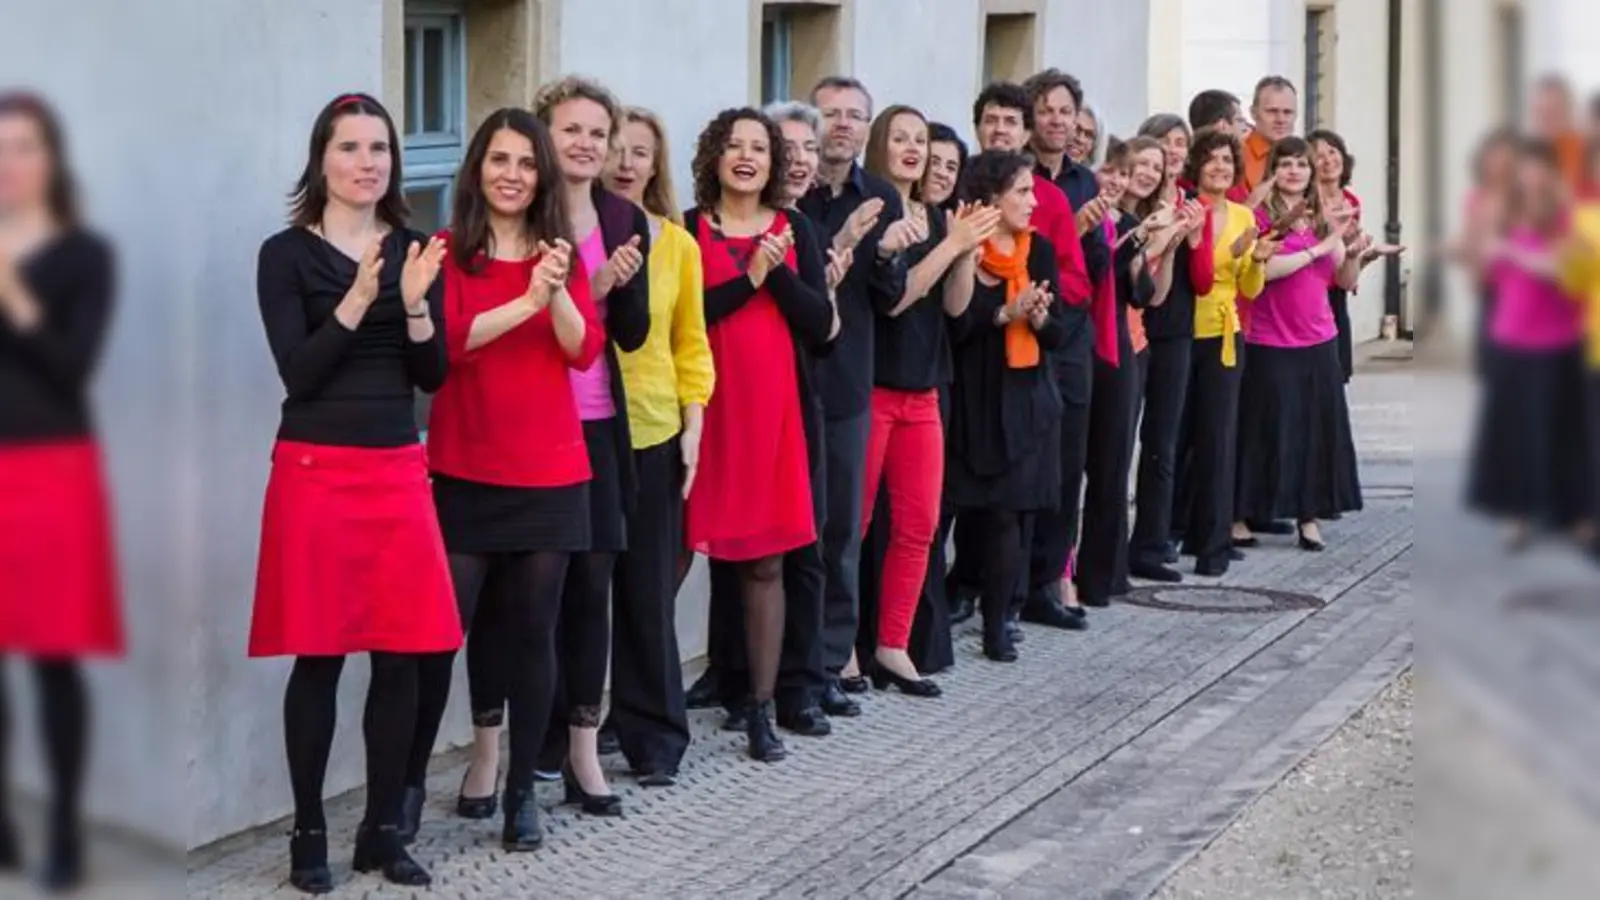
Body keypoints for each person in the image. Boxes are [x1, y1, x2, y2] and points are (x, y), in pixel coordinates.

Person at [247, 92, 459, 892]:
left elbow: (431, 377)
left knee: (403, 656)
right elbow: (298, 374)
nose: (367, 162)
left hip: (396, 466)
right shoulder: (284, 255)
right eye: (350, 148)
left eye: (379, 149)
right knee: (321, 655)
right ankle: (308, 831)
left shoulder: (416, 249)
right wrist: (360, 300)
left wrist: (415, 306)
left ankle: (382, 829)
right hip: (315, 471)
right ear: (321, 159)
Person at [405, 108, 605, 853]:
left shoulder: (559, 254)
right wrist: (524, 300)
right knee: (437, 637)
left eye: (525, 163)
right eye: (499, 160)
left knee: (533, 634)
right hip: (466, 468)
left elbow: (583, 350)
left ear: (541, 176)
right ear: (477, 169)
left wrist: (555, 290)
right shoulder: (449, 251)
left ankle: (523, 791)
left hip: (551, 473)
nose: (512, 175)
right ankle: (405, 787)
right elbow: (449, 346)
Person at [683, 107, 837, 761]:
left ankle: (761, 709)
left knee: (767, 564)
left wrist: (775, 272)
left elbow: (821, 328)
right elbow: (687, 318)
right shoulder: (687, 230)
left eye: (759, 148)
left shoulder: (795, 229)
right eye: (734, 146)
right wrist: (749, 279)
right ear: (714, 157)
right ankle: (638, 708)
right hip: (703, 417)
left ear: (773, 163)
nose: (746, 157)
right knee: (671, 560)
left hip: (775, 417)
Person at [0, 90, 122, 893]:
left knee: (53, 660)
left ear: (50, 159)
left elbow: (71, 370)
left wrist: (12, 290)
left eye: (25, 146)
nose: (10, 164)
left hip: (51, 473)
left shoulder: (84, 256)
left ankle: (67, 831)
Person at [529, 75, 651, 806]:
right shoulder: (521, 209)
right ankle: (531, 744)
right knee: (536, 593)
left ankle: (581, 747)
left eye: (597, 134)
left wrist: (619, 286)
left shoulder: (621, 214)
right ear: (544, 134)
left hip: (601, 423)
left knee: (592, 587)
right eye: (570, 129)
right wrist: (591, 285)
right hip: (535, 424)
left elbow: (632, 334)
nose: (584, 144)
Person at [856, 104, 998, 693]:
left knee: (920, 526)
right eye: (901, 138)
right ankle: (844, 649)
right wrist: (951, 246)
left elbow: (956, 307)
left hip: (924, 390)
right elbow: (896, 297)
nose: (913, 149)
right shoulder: (874, 210)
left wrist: (964, 253)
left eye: (921, 139)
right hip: (873, 387)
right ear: (880, 146)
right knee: (857, 525)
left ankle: (893, 644)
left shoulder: (938, 218)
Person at [601, 106, 715, 785]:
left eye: (638, 152)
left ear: (655, 164)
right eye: (615, 149)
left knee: (648, 593)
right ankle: (577, 729)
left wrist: (693, 424)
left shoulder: (676, 244)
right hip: (583, 433)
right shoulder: (573, 235)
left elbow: (691, 345)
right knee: (581, 597)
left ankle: (655, 736)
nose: (624, 163)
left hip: (653, 429)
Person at [801, 76, 908, 719]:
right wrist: (837, 245)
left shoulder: (882, 197)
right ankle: (750, 667)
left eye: (854, 115)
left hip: (847, 384)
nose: (842, 124)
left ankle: (828, 662)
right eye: (831, 113)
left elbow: (889, 299)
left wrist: (889, 256)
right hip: (787, 385)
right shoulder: (792, 193)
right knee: (777, 534)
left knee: (840, 529)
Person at [946, 150, 1070, 662]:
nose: (1033, 201)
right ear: (992, 197)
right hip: (971, 397)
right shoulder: (963, 246)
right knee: (956, 513)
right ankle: (937, 611)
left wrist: (1037, 318)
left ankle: (998, 623)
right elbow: (956, 326)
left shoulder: (1038, 251)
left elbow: (1060, 332)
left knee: (1007, 517)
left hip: (1024, 399)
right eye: (1022, 191)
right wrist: (1004, 313)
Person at [1232, 137, 1366, 552]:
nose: (1294, 171)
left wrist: (1354, 253)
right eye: (1286, 164)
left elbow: (1343, 280)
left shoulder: (1323, 219)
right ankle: (1241, 514)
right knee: (1263, 431)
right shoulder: (1260, 218)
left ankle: (1308, 517)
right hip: (1269, 340)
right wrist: (1319, 250)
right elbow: (1266, 271)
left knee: (1314, 433)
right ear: (1273, 170)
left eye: (1301, 165)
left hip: (1319, 339)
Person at [1468, 139, 1588, 549]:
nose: (1530, 176)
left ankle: (1574, 514)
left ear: (1552, 174)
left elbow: (1563, 270)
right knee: (1515, 434)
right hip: (1511, 339)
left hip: (1557, 341)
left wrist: (1513, 253)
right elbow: (1486, 274)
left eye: (1538, 168)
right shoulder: (1506, 217)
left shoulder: (1566, 219)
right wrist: (1488, 251)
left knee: (1562, 432)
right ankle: (1517, 515)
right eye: (1525, 169)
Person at [1171, 128, 1272, 577]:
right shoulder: (1183, 209)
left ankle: (1213, 545)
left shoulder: (1244, 216)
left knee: (1218, 438)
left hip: (1224, 336)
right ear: (1196, 166)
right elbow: (1194, 276)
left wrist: (1258, 258)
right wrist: (1224, 251)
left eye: (1227, 161)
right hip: (1178, 334)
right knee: (1177, 439)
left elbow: (1249, 288)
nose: (1219, 167)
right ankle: (1173, 530)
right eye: (1211, 159)